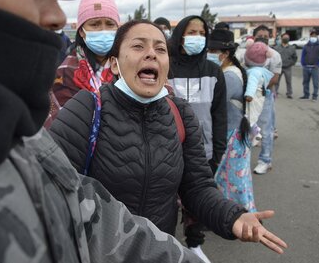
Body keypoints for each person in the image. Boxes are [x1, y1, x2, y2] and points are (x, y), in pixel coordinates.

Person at [0, 0, 255, 262]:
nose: (56, 14)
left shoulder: (14, 131)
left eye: (160, 49)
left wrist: (226, 219)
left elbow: (86, 210)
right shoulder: (86, 108)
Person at [49, 20, 287, 261]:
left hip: (160, 253)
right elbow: (52, 191)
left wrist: (232, 216)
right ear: (114, 63)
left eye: (160, 49)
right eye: (138, 46)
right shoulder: (86, 109)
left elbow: (198, 187)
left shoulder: (180, 114)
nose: (151, 54)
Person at [167, 15, 228, 260]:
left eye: (201, 32)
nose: (197, 37)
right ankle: (166, 242)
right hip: (169, 148)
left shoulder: (213, 71)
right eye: (191, 32)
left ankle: (194, 244)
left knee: (198, 200)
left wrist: (219, 149)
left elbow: (220, 114)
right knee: (168, 201)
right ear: (180, 35)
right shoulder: (167, 66)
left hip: (204, 150)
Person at [208, 29, 257, 213]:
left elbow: (212, 103)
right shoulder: (230, 71)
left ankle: (239, 215)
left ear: (225, 53)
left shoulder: (229, 76)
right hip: (235, 131)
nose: (209, 55)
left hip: (231, 134)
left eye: (213, 51)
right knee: (235, 177)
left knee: (232, 178)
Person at [51, 0, 119, 113]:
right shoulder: (65, 72)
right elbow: (62, 122)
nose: (103, 31)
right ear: (81, 31)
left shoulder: (128, 67)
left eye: (110, 24)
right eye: (95, 24)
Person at [251, 25, 282, 175]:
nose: (262, 38)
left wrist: (258, 89)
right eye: (259, 35)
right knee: (249, 126)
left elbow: (274, 78)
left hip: (265, 95)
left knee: (266, 130)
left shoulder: (274, 55)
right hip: (249, 96)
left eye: (265, 35)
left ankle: (265, 160)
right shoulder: (247, 53)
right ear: (254, 37)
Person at [244, 40, 274, 146]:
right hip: (260, 97)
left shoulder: (254, 72)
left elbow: (252, 84)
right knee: (253, 116)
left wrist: (249, 95)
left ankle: (255, 134)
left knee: (249, 116)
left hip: (253, 98)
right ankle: (255, 131)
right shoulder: (261, 70)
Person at [299, 30, 319, 101]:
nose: (313, 37)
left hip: (315, 67)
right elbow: (303, 55)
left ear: (317, 37)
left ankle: (315, 96)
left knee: (315, 83)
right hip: (306, 67)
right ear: (310, 36)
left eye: (315, 36)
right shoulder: (306, 46)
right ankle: (306, 95)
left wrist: (318, 65)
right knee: (305, 82)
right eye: (312, 36)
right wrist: (303, 63)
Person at [274, 33, 297, 99]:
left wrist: (292, 63)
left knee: (288, 81)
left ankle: (289, 93)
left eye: (287, 38)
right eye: (284, 37)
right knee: (276, 81)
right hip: (279, 67)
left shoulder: (292, 48)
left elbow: (295, 57)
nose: (286, 39)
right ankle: (275, 92)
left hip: (288, 67)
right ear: (282, 38)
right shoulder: (276, 47)